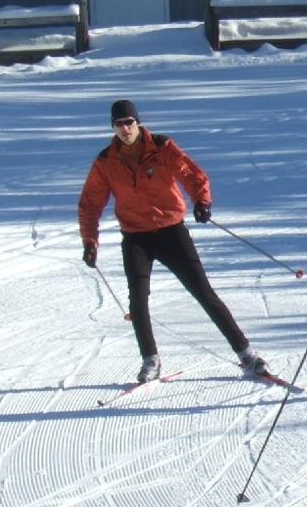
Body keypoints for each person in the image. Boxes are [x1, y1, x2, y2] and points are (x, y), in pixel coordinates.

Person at [77, 99, 270, 384]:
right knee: (138, 300)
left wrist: (201, 200)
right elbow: (91, 203)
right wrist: (90, 241)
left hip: (171, 232)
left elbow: (189, 173)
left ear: (137, 122)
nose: (125, 129)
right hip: (136, 237)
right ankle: (150, 359)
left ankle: (246, 353)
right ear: (113, 127)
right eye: (119, 125)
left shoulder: (161, 147)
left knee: (203, 291)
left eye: (129, 123)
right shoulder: (106, 162)